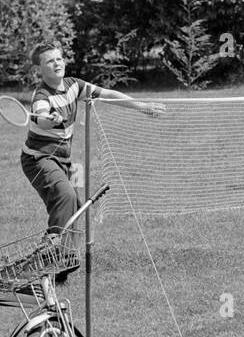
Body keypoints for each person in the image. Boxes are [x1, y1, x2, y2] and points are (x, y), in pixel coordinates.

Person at [22, 43, 162, 233]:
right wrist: (51, 120)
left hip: (65, 160)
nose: (57, 64)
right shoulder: (41, 96)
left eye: (59, 59)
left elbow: (108, 94)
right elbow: (41, 117)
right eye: (49, 61)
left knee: (76, 207)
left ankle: (67, 256)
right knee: (66, 197)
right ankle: (51, 247)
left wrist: (142, 106)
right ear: (39, 69)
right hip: (38, 159)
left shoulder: (74, 85)